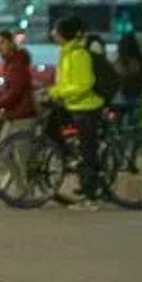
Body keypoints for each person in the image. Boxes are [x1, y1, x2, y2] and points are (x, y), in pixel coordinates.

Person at [48, 18, 106, 211]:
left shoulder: (79, 54)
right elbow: (65, 82)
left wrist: (58, 93)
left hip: (87, 109)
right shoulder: (66, 54)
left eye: (55, 30)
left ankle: (91, 198)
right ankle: (86, 188)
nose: (53, 33)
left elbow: (84, 84)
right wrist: (54, 91)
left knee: (87, 153)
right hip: (75, 108)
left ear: (64, 33)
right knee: (78, 149)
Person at [0, 30, 36, 125]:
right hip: (15, 115)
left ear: (12, 44)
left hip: (21, 117)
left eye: (2, 43)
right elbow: (7, 89)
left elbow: (14, 92)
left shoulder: (17, 64)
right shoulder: (10, 63)